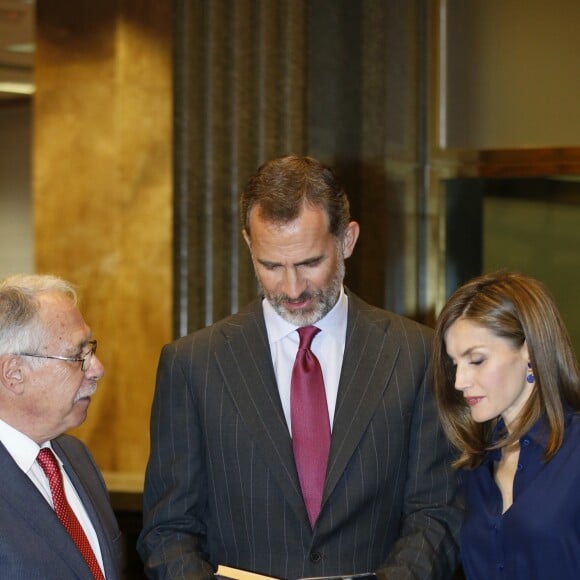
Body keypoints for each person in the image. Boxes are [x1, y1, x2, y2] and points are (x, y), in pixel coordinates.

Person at [137, 154, 462, 579]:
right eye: (271, 266)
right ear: (249, 245)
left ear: (347, 240)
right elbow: (168, 531)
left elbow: (435, 512)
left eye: (310, 263)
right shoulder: (193, 365)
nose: (291, 289)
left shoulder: (416, 354)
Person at [431, 271, 580, 579]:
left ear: (528, 350)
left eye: (476, 360)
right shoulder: (475, 465)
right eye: (455, 363)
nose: (459, 381)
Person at [0, 274, 122, 579]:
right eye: (77, 355)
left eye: (90, 349)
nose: (97, 368)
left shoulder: (76, 457)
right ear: (14, 374)